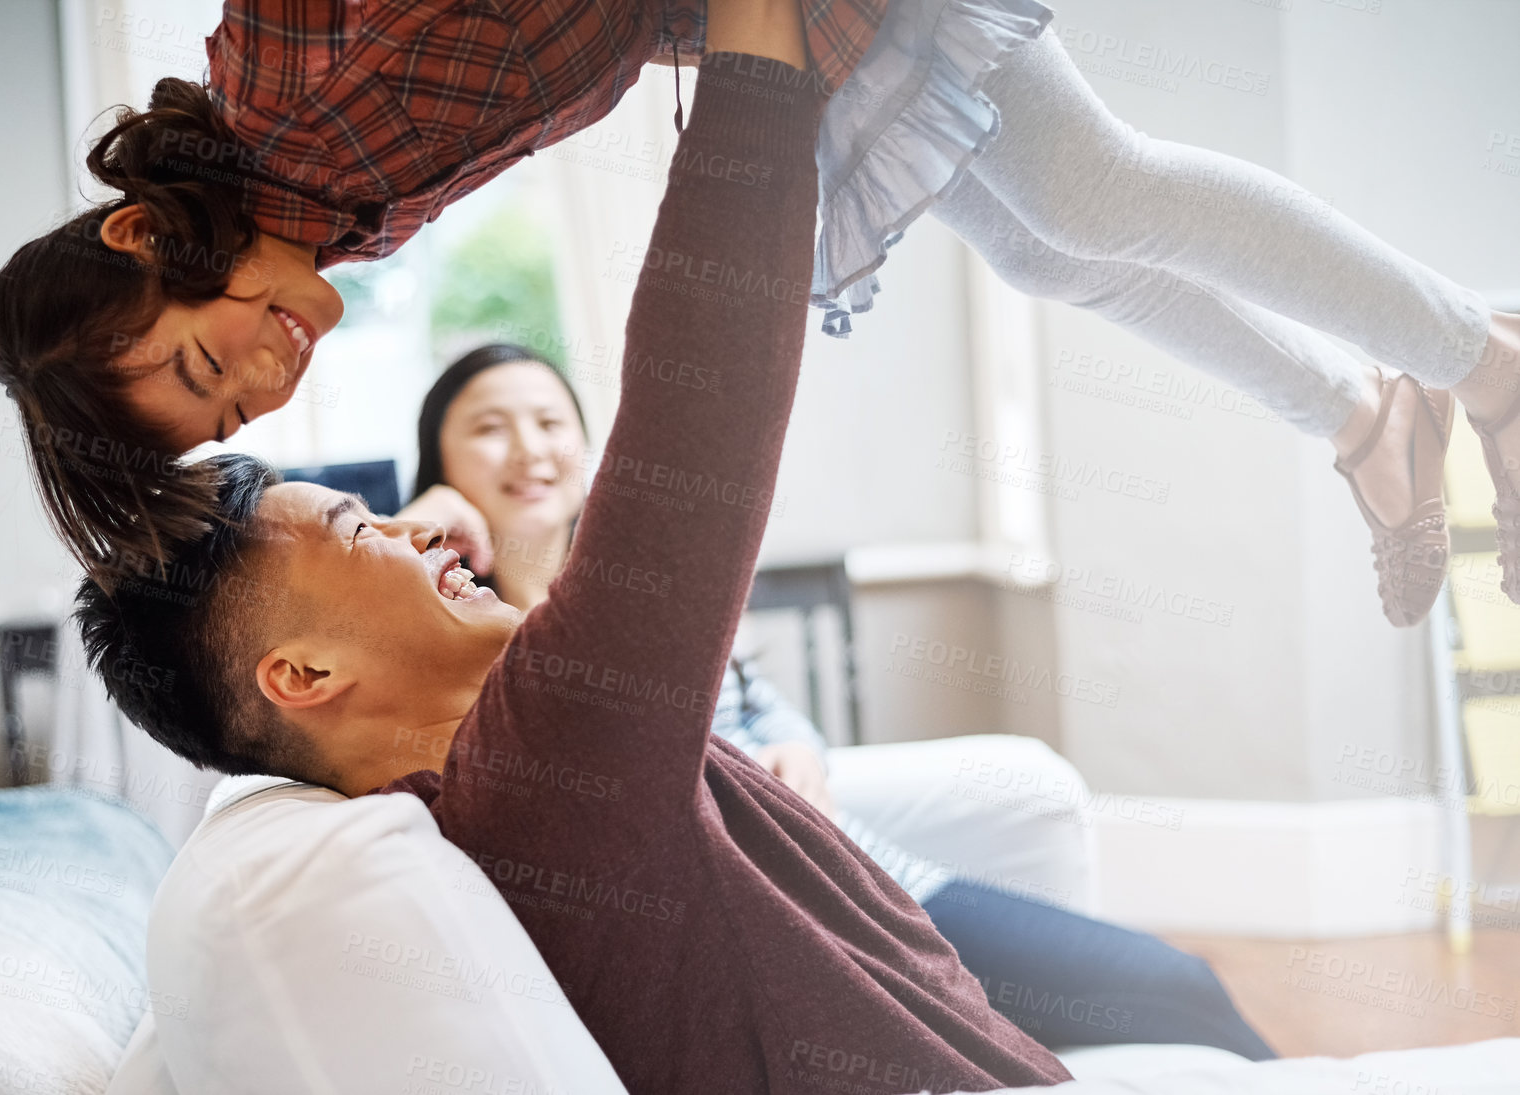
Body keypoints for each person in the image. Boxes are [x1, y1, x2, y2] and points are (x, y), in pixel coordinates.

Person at [75, 36, 1075, 1093]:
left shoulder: (494, 783)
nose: (418, 529)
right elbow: (697, 411)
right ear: (304, 675)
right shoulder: (534, 766)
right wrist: (754, 60)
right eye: (361, 531)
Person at [0, 0, 1520, 630]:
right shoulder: (332, 213)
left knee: (1097, 191)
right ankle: (1368, 415)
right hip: (735, 24)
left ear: (141, 233)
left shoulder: (286, 83)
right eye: (237, 407)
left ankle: (1486, 361)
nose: (268, 371)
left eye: (207, 356)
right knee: (1055, 249)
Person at [395, 341, 1273, 1058]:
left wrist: (801, 747)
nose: (530, 450)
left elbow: (755, 699)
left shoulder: (640, 585)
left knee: (1177, 985)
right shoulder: (459, 634)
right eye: (489, 429)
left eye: (551, 422)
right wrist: (421, 534)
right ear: (438, 465)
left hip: (869, 876)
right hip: (795, 923)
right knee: (1173, 990)